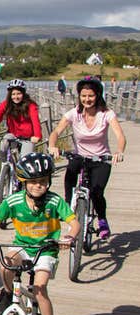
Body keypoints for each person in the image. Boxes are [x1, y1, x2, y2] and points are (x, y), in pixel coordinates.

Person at [0, 152, 80, 315]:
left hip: (47, 248)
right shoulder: (14, 201)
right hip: (22, 245)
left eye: (42, 181)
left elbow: (74, 222)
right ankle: (7, 293)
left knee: (40, 288)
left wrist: (70, 236)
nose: (38, 186)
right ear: (24, 182)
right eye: (32, 182)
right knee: (6, 265)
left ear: (49, 181)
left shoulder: (54, 201)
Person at [48, 77, 126, 240]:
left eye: (90, 96)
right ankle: (69, 207)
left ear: (97, 95)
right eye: (83, 96)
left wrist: (119, 151)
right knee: (70, 176)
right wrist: (52, 145)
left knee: (97, 192)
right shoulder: (73, 113)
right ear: (79, 96)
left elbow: (120, 136)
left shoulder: (106, 114)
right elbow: (56, 132)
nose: (87, 99)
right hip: (80, 156)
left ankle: (102, 220)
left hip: (101, 159)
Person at [0, 79, 42, 161]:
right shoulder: (6, 104)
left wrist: (37, 135)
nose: (16, 97)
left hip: (28, 138)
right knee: (4, 143)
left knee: (25, 159)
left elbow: (35, 121)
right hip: (13, 135)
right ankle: (5, 166)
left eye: (19, 94)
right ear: (9, 95)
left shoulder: (31, 105)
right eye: (13, 94)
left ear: (23, 94)